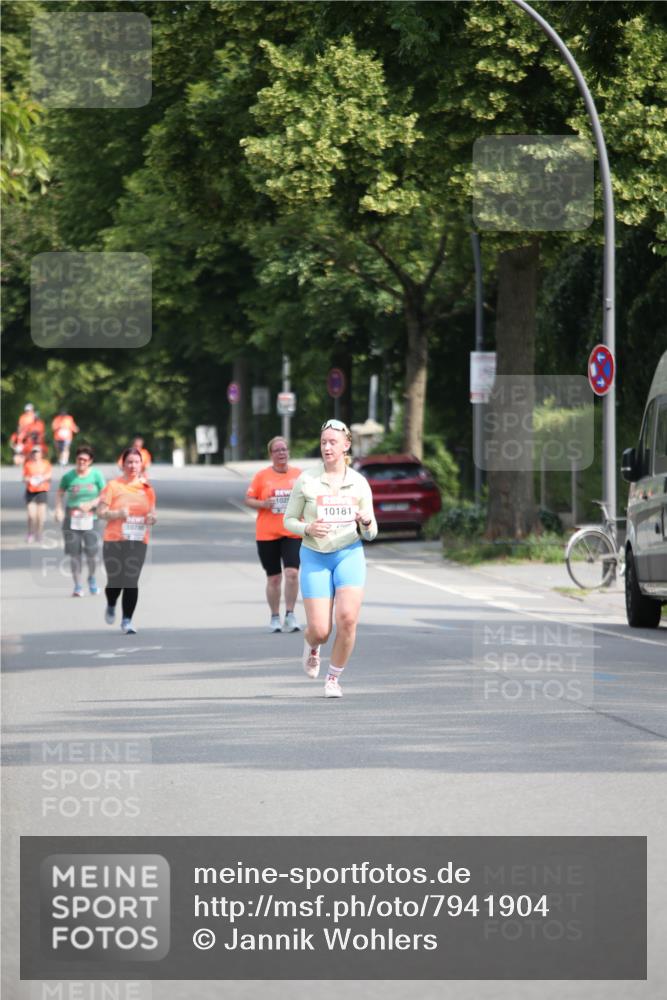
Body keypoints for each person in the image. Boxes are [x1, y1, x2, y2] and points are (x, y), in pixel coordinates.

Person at [283, 419, 377, 698]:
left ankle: (333, 678)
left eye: (332, 442)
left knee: (348, 620)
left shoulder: (359, 483)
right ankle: (312, 645)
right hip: (315, 554)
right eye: (323, 442)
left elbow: (371, 533)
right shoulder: (307, 479)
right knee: (321, 630)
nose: (327, 447)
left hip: (348, 552)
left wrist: (367, 522)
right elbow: (288, 520)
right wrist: (307, 528)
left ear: (346, 445)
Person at [244, 437, 303, 632]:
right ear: (271, 454)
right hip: (267, 533)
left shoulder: (299, 475)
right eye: (277, 450)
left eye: (284, 449)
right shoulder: (262, 476)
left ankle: (291, 614)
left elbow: (310, 498)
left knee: (292, 573)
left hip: (292, 532)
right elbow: (249, 499)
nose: (282, 453)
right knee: (274, 578)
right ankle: (275, 616)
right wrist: (263, 504)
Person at [97, 446, 157, 635]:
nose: (133, 466)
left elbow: (152, 513)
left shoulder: (147, 488)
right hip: (114, 539)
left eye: (136, 462)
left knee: (131, 580)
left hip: (138, 539)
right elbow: (100, 512)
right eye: (129, 462)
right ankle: (111, 602)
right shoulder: (113, 486)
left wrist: (152, 518)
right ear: (123, 465)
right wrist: (117, 514)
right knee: (115, 580)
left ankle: (127, 620)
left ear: (142, 465)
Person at [54, 445, 106, 597]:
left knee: (91, 554)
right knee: (74, 554)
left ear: (90, 461)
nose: (81, 462)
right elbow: (59, 494)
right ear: (75, 460)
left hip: (91, 519)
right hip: (72, 519)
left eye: (85, 459)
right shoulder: (69, 476)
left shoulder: (96, 475)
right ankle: (77, 585)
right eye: (79, 459)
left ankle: (91, 578)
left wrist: (93, 503)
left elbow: (105, 494)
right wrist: (58, 509)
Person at [22, 444, 53, 543]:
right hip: (31, 491)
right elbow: (24, 478)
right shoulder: (28, 464)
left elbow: (49, 475)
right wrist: (30, 479)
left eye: (37, 452)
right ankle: (30, 533)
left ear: (41, 454)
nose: (36, 454)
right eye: (34, 453)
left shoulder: (46, 463)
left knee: (41, 516)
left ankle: (39, 533)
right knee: (32, 515)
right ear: (32, 454)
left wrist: (42, 478)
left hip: (42, 491)